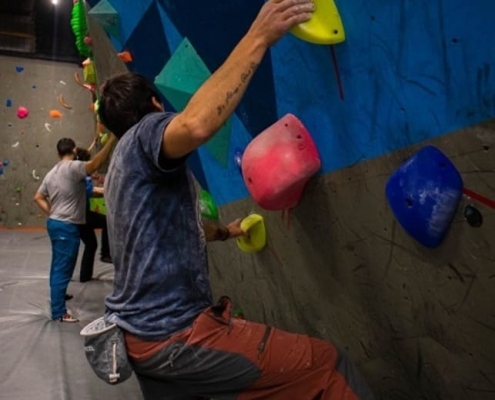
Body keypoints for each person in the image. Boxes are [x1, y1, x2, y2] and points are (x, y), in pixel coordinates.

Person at [97, 0, 374, 398]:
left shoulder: (121, 175)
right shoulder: (146, 134)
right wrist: (258, 36)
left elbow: (168, 233)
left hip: (141, 341)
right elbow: (195, 126)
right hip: (175, 336)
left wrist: (227, 232)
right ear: (156, 105)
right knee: (328, 365)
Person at [34, 136, 116, 322]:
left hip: (55, 223)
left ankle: (59, 296)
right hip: (66, 226)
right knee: (63, 268)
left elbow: (38, 197)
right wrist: (112, 139)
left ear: (58, 153)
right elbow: (96, 163)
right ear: (73, 150)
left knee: (58, 264)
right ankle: (59, 312)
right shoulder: (73, 168)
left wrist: (53, 212)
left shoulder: (52, 172)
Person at [76, 147, 112, 284]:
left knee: (91, 244)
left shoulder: (76, 172)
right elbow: (90, 191)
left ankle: (85, 276)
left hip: (80, 214)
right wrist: (106, 189)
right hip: (82, 214)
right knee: (108, 220)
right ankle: (105, 253)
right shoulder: (81, 174)